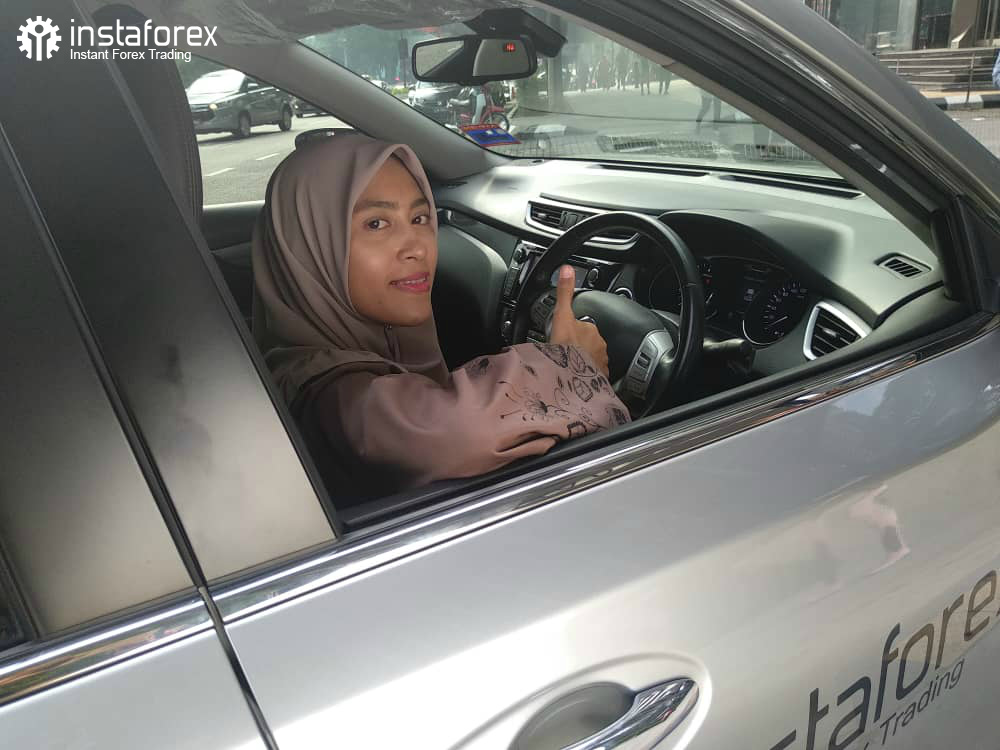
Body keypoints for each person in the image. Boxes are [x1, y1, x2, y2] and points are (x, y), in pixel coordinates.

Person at [252, 133, 630, 500]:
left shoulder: (320, 359)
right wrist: (569, 363)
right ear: (308, 248)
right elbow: (461, 431)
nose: (418, 247)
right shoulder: (328, 397)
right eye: (376, 223)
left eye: (420, 218)